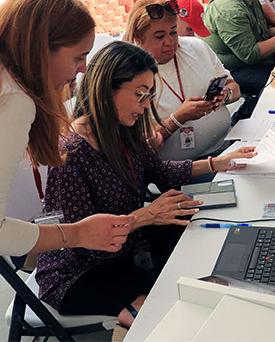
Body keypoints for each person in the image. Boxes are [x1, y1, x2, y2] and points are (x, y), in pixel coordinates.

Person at [36, 41, 255, 331]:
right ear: (105, 89)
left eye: (150, 95)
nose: (147, 104)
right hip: (79, 272)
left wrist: (216, 164)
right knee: (176, 300)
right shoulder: (72, 153)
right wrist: (146, 216)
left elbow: (156, 170)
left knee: (199, 237)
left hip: (126, 244)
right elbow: (84, 244)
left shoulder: (122, 128)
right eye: (140, 94)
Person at [0, 0, 133, 257]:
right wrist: (79, 233)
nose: (84, 68)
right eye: (78, 57)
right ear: (40, 50)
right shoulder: (8, 99)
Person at [123, 0, 241, 162]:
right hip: (180, 169)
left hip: (223, 148)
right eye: (159, 36)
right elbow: (140, 147)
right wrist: (178, 119)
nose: (170, 42)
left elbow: (234, 87)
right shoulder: (128, 75)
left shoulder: (196, 47)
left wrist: (225, 95)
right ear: (138, 37)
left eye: (173, 32)